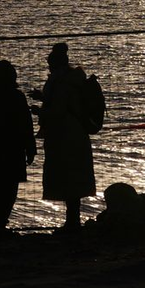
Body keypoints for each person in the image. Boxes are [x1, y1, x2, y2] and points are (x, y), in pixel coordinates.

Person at [36, 41, 96, 233]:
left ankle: (72, 223)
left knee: (68, 178)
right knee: (74, 178)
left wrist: (40, 112)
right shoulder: (70, 80)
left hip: (65, 136)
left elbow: (59, 110)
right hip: (74, 134)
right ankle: (72, 221)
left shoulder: (61, 82)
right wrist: (44, 99)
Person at [0, 59, 36, 232]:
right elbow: (26, 124)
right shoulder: (17, 97)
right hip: (13, 149)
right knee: (9, 190)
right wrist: (31, 148)